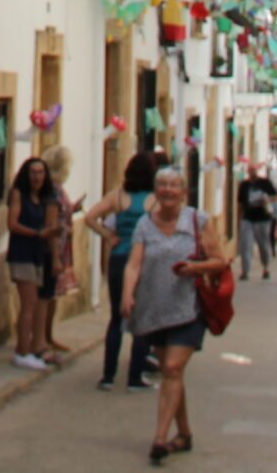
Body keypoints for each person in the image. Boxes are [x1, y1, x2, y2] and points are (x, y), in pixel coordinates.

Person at [121, 164, 230, 465]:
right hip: (154, 309)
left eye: (173, 185)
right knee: (174, 374)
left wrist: (194, 268)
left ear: (183, 191)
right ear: (156, 191)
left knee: (171, 367)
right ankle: (184, 433)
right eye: (162, 185)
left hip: (188, 309)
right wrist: (127, 294)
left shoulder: (198, 221)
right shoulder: (144, 224)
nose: (168, 190)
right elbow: (134, 263)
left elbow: (219, 260)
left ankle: (159, 438)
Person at [85, 152, 161, 392]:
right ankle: (135, 377)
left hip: (119, 258)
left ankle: (108, 376)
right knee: (142, 319)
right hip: (144, 260)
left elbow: (89, 217)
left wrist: (109, 236)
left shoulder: (117, 196)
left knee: (117, 318)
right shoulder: (155, 200)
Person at [5, 155, 66, 370]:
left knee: (33, 303)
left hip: (37, 255)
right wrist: (37, 233)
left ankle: (29, 348)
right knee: (29, 304)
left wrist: (49, 237)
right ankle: (22, 351)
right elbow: (12, 223)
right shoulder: (18, 194)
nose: (37, 177)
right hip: (22, 253)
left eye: (41, 172)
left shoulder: (43, 198)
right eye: (33, 172)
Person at [41, 144, 85, 358]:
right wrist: (56, 257)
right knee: (48, 295)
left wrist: (73, 208)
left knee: (53, 295)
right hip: (54, 248)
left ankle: (47, 337)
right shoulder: (53, 191)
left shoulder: (56, 189)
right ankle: (42, 338)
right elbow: (53, 220)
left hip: (60, 247)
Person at [234, 163, 276, 280]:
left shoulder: (265, 183)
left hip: (263, 218)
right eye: (250, 170)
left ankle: (266, 267)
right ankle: (245, 271)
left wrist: (267, 200)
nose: (252, 172)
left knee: (263, 244)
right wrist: (239, 219)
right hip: (247, 218)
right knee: (245, 245)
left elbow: (275, 196)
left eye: (253, 170)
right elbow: (240, 203)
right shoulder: (244, 185)